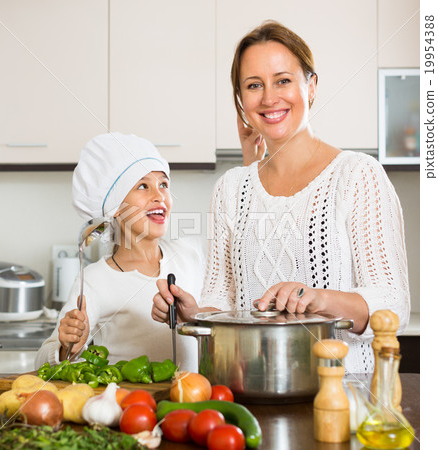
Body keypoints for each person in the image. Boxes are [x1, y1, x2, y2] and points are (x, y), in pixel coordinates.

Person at [152, 20, 410, 374]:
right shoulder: (230, 189)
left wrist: (318, 298)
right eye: (254, 85)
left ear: (312, 86)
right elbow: (221, 302)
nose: (269, 98)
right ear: (241, 101)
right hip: (251, 393)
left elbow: (393, 307)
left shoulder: (357, 175)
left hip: (343, 397)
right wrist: (194, 314)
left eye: (283, 80)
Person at [35, 132, 203, 372]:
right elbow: (42, 358)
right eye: (143, 186)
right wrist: (65, 347)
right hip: (131, 407)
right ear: (115, 207)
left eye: (163, 185)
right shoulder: (95, 280)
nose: (160, 196)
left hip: (193, 404)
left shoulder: (191, 255)